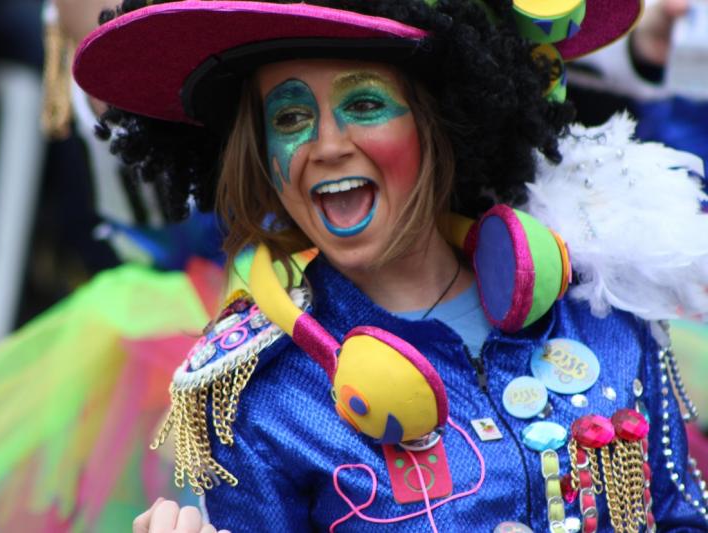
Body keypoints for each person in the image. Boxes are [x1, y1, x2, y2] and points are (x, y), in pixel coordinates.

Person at [74, 1, 708, 531]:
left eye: (365, 104)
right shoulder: (263, 399)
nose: (326, 144)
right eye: (291, 118)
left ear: (442, 125)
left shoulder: (600, 309)